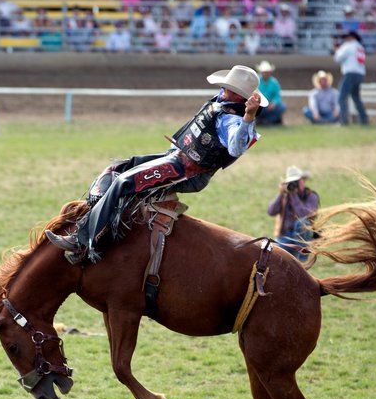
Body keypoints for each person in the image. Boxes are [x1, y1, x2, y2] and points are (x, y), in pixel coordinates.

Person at [45, 65, 265, 264]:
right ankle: (92, 216)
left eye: (228, 87)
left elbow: (236, 148)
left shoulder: (234, 119)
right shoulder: (222, 102)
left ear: (237, 95)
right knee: (117, 169)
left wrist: (247, 117)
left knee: (124, 181)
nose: (223, 88)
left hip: (188, 171)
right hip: (177, 159)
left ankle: (82, 241)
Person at [267, 166, 319, 261]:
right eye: (291, 183)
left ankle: (302, 260)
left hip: (302, 237)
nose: (293, 185)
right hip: (284, 236)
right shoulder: (285, 195)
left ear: (302, 181)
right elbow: (271, 211)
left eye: (296, 182)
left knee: (302, 223)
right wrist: (280, 194)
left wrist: (294, 196)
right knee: (274, 259)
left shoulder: (311, 196)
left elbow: (304, 215)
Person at [334, 30, 368, 125]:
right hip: (360, 73)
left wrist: (337, 50)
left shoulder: (347, 46)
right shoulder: (360, 46)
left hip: (350, 73)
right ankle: (364, 119)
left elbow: (338, 58)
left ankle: (344, 121)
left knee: (341, 97)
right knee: (356, 97)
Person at [255, 60, 286, 126]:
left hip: (270, 105)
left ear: (270, 72)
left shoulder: (274, 82)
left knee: (282, 107)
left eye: (267, 72)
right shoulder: (256, 81)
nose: (266, 74)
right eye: (264, 72)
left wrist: (274, 103)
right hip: (259, 105)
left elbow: (277, 96)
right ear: (261, 72)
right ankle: (261, 120)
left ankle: (267, 121)